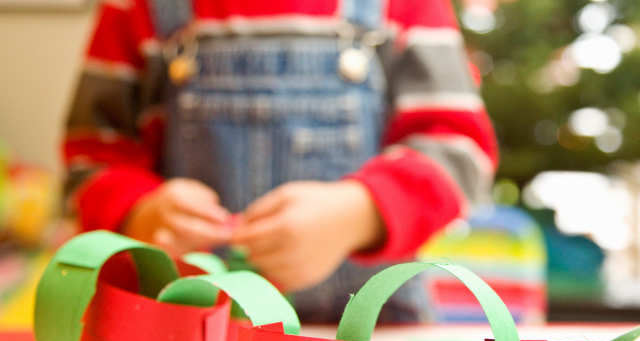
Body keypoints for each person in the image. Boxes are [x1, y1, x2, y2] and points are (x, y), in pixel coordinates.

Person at [63, 0, 498, 323]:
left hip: (375, 340)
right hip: (186, 340)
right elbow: (89, 160)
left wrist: (359, 212)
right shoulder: (137, 8)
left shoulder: (405, 6)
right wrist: (141, 213)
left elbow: (460, 151)